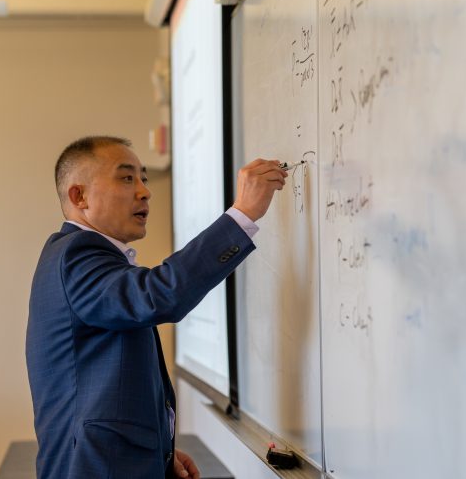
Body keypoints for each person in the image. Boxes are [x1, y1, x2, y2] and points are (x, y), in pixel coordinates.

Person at [26, 136, 287, 478]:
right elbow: (158, 295)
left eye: (144, 178)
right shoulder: (76, 254)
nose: (145, 191)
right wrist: (242, 216)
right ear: (80, 196)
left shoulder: (76, 255)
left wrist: (159, 452)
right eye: (126, 178)